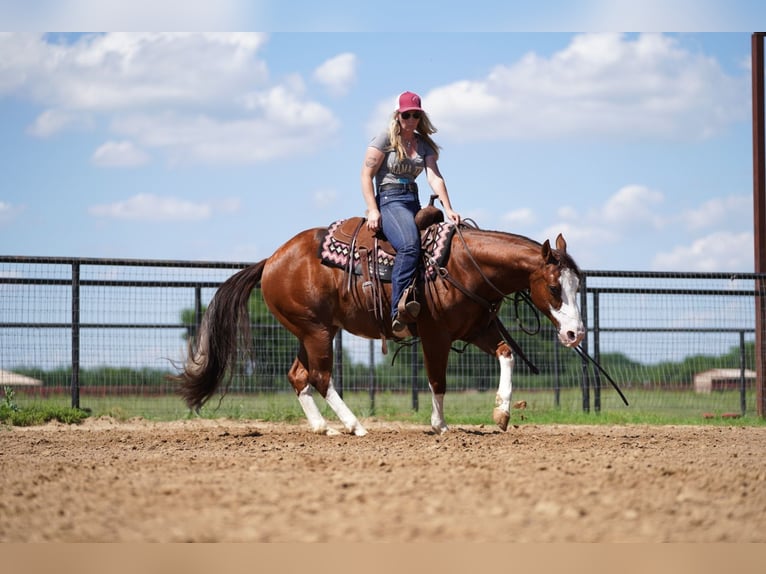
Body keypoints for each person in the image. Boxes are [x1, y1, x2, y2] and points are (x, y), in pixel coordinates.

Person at [361, 91, 461, 335]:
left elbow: (434, 177)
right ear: (398, 115)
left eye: (416, 115)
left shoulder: (423, 144)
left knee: (441, 242)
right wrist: (373, 210)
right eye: (407, 115)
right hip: (389, 199)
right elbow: (366, 175)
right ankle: (399, 311)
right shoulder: (384, 140)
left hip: (413, 200)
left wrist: (448, 208)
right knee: (409, 245)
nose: (411, 119)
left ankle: (430, 301)